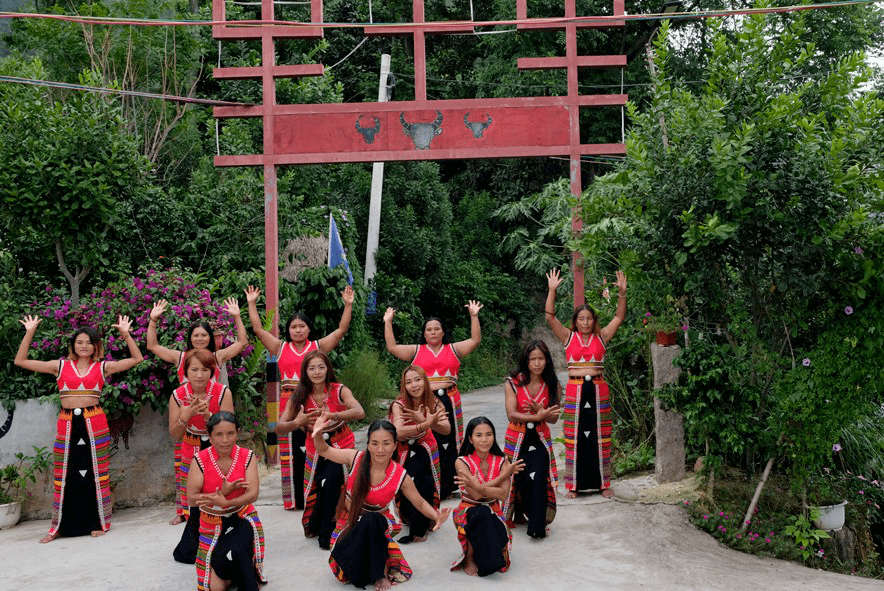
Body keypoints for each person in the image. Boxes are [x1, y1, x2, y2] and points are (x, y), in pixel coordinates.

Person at [14, 314, 143, 543]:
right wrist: (30, 332)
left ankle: (98, 523)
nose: (84, 346)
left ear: (96, 346)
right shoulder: (60, 366)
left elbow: (137, 358)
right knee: (65, 474)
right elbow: (21, 361)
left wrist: (125, 334)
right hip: (67, 424)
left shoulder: (103, 367)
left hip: (95, 423)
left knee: (96, 473)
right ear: (73, 345)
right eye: (79, 342)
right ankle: (59, 527)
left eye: (89, 342)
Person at [244, 284, 354, 511]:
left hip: (315, 402)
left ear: (308, 329)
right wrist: (252, 303)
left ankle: (320, 496)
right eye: (293, 327)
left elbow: (341, 330)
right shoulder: (280, 347)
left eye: (301, 326)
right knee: (291, 453)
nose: (297, 330)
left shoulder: (318, 347)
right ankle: (295, 500)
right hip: (290, 404)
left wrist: (348, 305)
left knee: (318, 448)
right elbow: (257, 329)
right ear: (288, 330)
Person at [314, 417, 451, 591]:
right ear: (368, 444)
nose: (380, 449)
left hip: (376, 529)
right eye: (375, 443)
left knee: (373, 520)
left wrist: (437, 517)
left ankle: (380, 573)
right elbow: (324, 449)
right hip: (347, 525)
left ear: (395, 445)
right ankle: (366, 566)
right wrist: (317, 433)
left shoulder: (400, 475)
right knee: (352, 567)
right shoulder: (355, 458)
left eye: (386, 443)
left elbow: (420, 502)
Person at [383, 301, 482, 499]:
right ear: (424, 333)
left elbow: (475, 340)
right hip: (424, 400)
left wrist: (473, 316)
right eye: (429, 329)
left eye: (437, 329)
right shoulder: (416, 351)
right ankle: (432, 483)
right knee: (428, 439)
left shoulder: (453, 349)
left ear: (443, 332)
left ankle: (451, 483)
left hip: (450, 400)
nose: (433, 332)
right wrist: (388, 322)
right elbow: (392, 347)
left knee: (452, 439)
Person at [545, 268, 626, 498]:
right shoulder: (568, 337)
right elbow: (550, 317)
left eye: (589, 318)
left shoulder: (603, 337)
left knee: (601, 436)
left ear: (594, 321)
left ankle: (604, 484)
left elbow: (619, 317)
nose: (585, 322)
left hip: (598, 390)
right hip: (575, 390)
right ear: (575, 321)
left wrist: (621, 294)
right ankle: (573, 486)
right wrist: (552, 290)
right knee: (574, 437)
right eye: (581, 318)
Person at [275, 350, 364, 549]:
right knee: (319, 486)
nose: (317, 372)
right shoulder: (298, 396)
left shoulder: (339, 390)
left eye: (321, 367)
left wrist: (334, 415)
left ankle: (329, 533)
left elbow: (359, 411)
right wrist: (296, 422)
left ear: (328, 369)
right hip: (315, 448)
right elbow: (279, 427)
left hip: (341, 444)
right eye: (312, 368)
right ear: (305, 371)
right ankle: (318, 524)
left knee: (330, 483)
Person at [187, 411, 266, 591]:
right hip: (211, 523)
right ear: (209, 436)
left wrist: (228, 503)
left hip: (242, 517)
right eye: (219, 434)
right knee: (216, 587)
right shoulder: (200, 460)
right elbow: (191, 498)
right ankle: (237, 573)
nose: (225, 440)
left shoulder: (247, 456)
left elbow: (253, 493)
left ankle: (249, 582)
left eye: (230, 433)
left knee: (237, 549)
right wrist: (222, 493)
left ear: (237, 433)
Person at [170, 349, 235, 562]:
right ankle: (197, 545)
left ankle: (222, 540)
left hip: (219, 448)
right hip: (190, 446)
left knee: (221, 493)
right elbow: (175, 435)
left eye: (205, 370)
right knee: (196, 499)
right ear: (186, 372)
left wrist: (209, 416)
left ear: (212, 371)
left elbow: (229, 429)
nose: (199, 375)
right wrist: (185, 417)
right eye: (194, 370)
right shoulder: (177, 396)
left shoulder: (222, 391)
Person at [503, 340, 561, 539]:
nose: (537, 363)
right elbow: (511, 414)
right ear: (525, 361)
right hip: (516, 439)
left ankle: (536, 526)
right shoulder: (512, 382)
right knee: (516, 477)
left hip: (540, 439)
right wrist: (536, 417)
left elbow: (554, 418)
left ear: (547, 360)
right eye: (532, 359)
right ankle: (517, 514)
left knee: (538, 477)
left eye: (541, 358)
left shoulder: (553, 384)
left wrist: (544, 415)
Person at [451, 417, 523, 576]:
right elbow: (476, 496)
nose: (484, 440)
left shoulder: (503, 460)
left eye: (489, 434)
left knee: (489, 518)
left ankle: (485, 559)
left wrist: (477, 486)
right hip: (467, 509)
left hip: (494, 509)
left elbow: (503, 495)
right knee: (480, 514)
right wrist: (502, 477)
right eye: (479, 435)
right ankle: (469, 558)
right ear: (470, 438)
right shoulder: (461, 462)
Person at [388, 365, 450, 544]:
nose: (414, 385)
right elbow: (398, 432)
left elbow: (446, 429)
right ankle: (411, 516)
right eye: (409, 382)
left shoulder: (434, 402)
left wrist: (425, 421)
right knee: (406, 482)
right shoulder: (398, 404)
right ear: (404, 386)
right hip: (403, 449)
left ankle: (420, 528)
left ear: (424, 380)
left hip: (425, 447)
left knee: (423, 480)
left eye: (417, 379)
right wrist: (424, 424)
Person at [146, 297, 247, 388]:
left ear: (210, 338)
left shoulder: (217, 357)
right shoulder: (180, 358)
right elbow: (152, 346)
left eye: (204, 335)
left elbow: (242, 343)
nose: (200, 339)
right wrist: (153, 320)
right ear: (190, 338)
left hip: (212, 407)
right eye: (196, 335)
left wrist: (237, 317)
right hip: (186, 407)